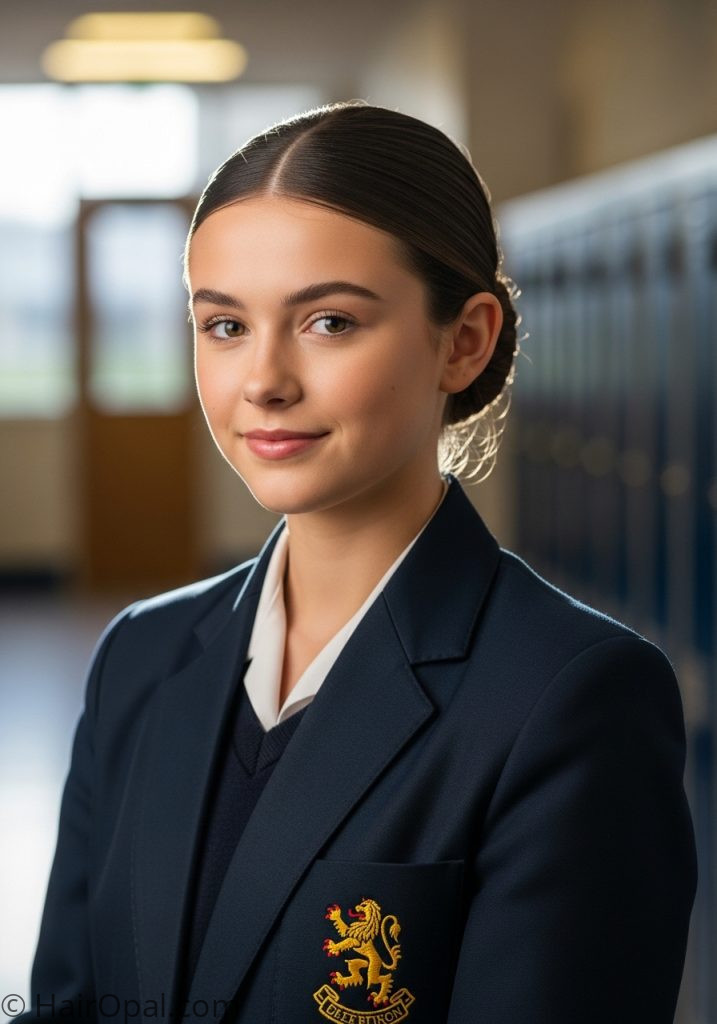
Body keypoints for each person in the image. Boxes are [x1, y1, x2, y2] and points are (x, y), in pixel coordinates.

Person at [18, 100, 696, 1024]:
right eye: (224, 326)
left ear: (464, 340)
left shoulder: (570, 695)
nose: (262, 380)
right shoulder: (143, 654)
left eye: (328, 322)